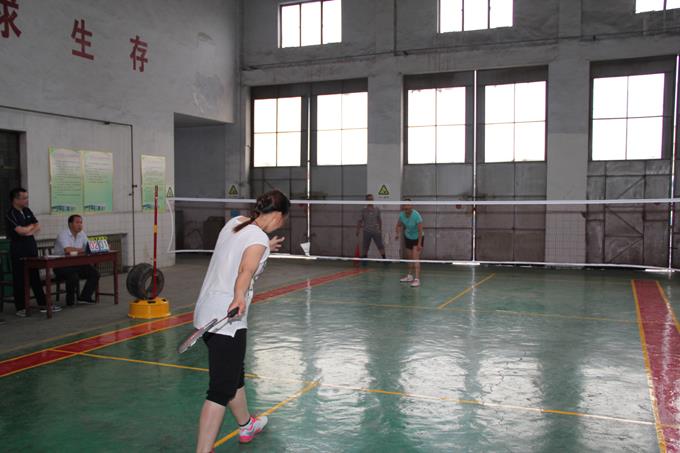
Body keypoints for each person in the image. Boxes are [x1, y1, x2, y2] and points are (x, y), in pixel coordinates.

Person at [194, 189, 290, 451]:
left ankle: (247, 424)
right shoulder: (258, 240)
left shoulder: (235, 224)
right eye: (283, 219)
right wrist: (239, 296)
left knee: (233, 374)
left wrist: (265, 246)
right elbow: (245, 270)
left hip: (205, 313)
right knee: (220, 391)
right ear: (278, 215)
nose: (282, 224)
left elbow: (239, 251)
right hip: (227, 319)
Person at [5, 187, 60, 316]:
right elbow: (20, 231)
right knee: (20, 279)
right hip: (19, 249)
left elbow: (37, 226)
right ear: (15, 199)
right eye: (24, 198)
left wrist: (28, 229)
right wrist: (30, 228)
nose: (27, 200)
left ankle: (43, 304)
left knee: (35, 277)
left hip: (31, 247)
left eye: (27, 197)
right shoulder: (10, 214)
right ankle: (21, 308)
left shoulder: (27, 210)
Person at [53, 214, 100, 305]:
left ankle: (85, 297)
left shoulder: (82, 234)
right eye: (77, 222)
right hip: (61, 265)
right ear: (70, 224)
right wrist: (83, 250)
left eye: (81, 222)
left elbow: (89, 246)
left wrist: (102, 246)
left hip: (76, 264)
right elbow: (67, 250)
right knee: (73, 276)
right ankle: (70, 300)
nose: (80, 225)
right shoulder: (63, 234)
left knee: (95, 273)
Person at [395, 199, 424, 288]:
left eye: (408, 205)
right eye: (404, 205)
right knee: (409, 258)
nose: (406, 207)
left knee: (415, 258)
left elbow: (420, 230)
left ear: (411, 206)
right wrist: (397, 234)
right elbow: (398, 225)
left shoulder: (416, 215)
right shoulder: (402, 215)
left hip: (417, 238)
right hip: (408, 237)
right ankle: (409, 276)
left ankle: (417, 279)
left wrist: (419, 244)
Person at [356, 194, 386, 261]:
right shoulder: (363, 210)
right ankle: (364, 260)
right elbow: (360, 221)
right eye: (369, 199)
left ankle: (384, 260)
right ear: (366, 201)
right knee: (365, 247)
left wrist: (380, 229)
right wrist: (357, 230)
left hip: (376, 231)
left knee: (380, 245)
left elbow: (379, 220)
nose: (370, 200)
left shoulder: (377, 209)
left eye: (371, 199)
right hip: (367, 231)